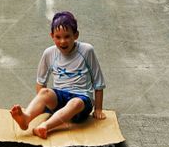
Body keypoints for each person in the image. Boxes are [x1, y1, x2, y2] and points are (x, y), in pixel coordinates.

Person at [10, 10, 106, 139]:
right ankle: (26, 119)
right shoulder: (49, 53)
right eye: (58, 37)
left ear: (76, 35)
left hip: (81, 102)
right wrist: (43, 105)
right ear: (52, 36)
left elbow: (98, 82)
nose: (62, 41)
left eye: (67, 36)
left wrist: (98, 109)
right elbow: (40, 83)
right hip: (59, 99)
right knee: (44, 92)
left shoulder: (87, 50)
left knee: (75, 103)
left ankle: (45, 126)